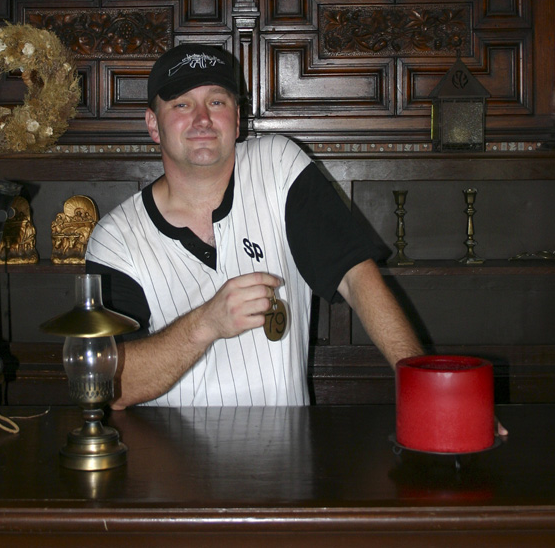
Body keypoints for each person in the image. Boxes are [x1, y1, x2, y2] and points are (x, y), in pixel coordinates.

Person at [85, 42, 425, 408]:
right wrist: (206, 324)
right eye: (182, 105)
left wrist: (426, 387)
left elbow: (356, 277)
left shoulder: (278, 166)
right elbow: (111, 386)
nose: (202, 118)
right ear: (153, 124)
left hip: (286, 440)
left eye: (217, 101)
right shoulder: (115, 239)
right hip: (170, 442)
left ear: (237, 119)